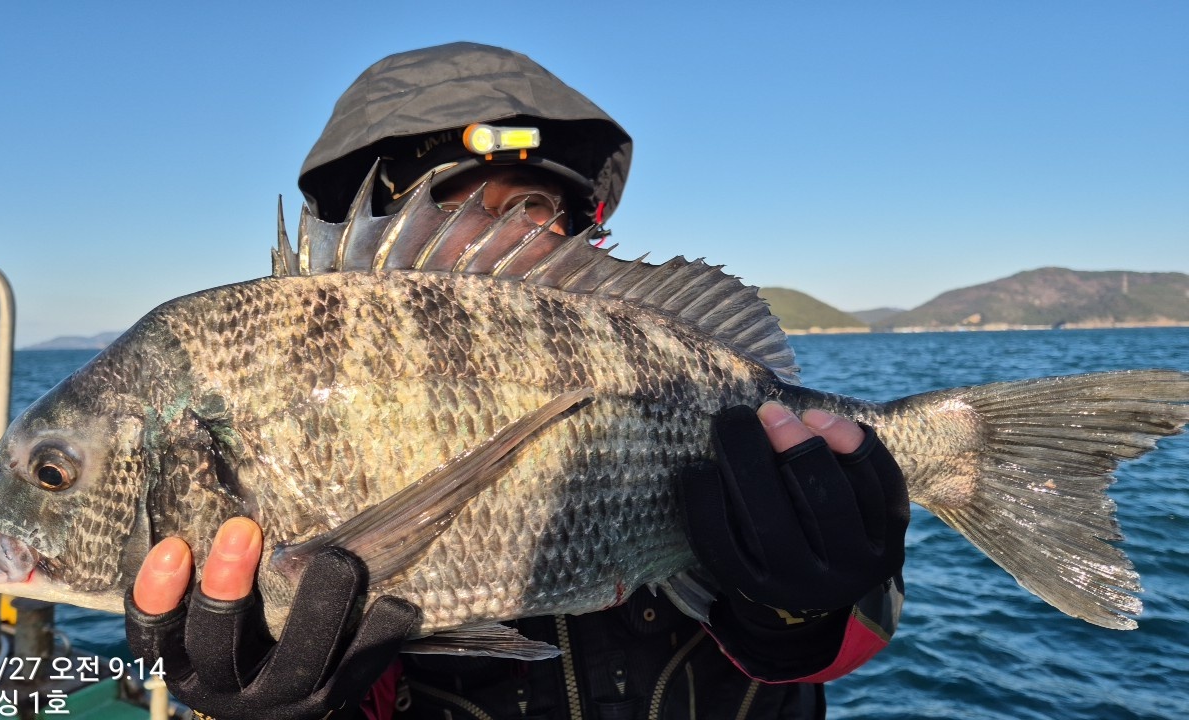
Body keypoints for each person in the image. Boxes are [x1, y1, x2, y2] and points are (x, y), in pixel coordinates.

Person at [125, 43, 909, 720]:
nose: (505, 236)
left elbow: (851, 641)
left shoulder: (684, 374)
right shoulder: (279, 392)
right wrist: (276, 694)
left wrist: (796, 609)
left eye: (533, 205)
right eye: (453, 205)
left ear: (582, 229)